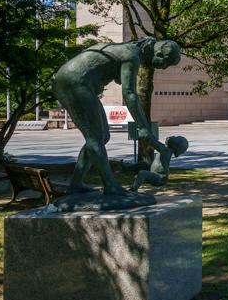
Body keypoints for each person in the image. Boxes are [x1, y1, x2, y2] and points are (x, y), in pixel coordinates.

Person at [51, 37, 181, 199]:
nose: (163, 68)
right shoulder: (131, 56)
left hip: (75, 82)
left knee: (102, 137)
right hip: (73, 83)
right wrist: (142, 126)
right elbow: (129, 93)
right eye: (165, 64)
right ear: (160, 54)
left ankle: (75, 184)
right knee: (96, 138)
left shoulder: (128, 50)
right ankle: (110, 185)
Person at [124, 136, 189, 192]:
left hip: (160, 178)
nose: (173, 136)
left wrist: (148, 135)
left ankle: (133, 190)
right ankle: (126, 168)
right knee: (142, 164)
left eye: (176, 138)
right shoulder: (165, 149)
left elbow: (155, 143)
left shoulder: (166, 151)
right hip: (154, 171)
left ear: (175, 146)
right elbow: (157, 143)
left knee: (142, 173)